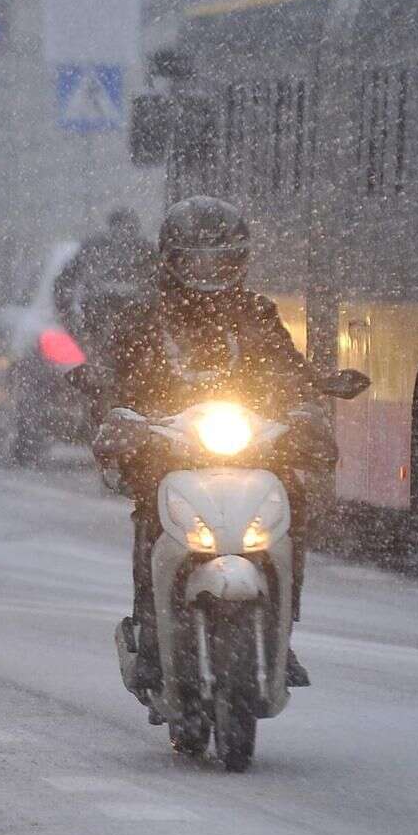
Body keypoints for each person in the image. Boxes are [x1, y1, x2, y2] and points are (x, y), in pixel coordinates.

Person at [83, 195, 331, 693]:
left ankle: (282, 632)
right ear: (171, 261)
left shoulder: (257, 316)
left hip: (250, 447)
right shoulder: (144, 319)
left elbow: (288, 371)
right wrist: (120, 416)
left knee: (293, 506)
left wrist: (306, 405)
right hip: (167, 448)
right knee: (153, 515)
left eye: (220, 258)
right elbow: (114, 379)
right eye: (196, 259)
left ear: (239, 261)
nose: (209, 270)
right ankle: (149, 631)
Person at [52, 207, 154, 352]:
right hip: (119, 326)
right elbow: (65, 283)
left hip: (113, 325)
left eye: (127, 228)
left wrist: (69, 316)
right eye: (120, 227)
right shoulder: (145, 250)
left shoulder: (144, 251)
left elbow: (65, 283)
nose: (122, 233)